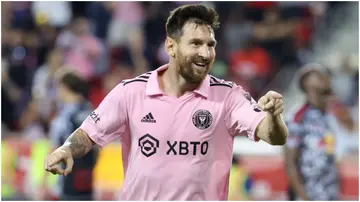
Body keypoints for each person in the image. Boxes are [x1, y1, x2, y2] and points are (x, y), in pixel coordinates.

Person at [44, 4, 288, 200]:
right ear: (171, 46)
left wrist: (274, 117)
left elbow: (273, 135)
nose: (205, 54)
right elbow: (88, 133)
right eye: (195, 43)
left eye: (210, 45)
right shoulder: (130, 92)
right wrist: (66, 149)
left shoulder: (228, 96)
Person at [284, 64, 339, 200]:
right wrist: (304, 197)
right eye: (319, 75)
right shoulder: (298, 117)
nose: (325, 78)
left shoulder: (328, 115)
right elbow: (290, 164)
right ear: (306, 82)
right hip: (309, 193)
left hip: (330, 192)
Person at [43, 70, 98, 200]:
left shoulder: (64, 117)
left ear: (64, 88)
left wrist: (44, 182)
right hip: (86, 179)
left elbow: (55, 148)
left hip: (68, 180)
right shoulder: (91, 111)